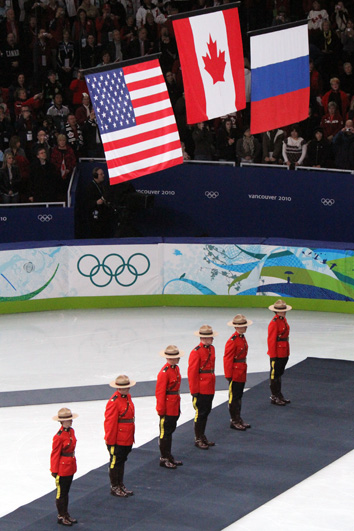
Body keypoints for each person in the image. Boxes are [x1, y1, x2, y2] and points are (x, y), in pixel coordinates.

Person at [104, 374, 136, 497]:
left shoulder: (127, 397)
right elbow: (110, 423)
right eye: (124, 387)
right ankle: (115, 486)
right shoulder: (114, 402)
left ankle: (120, 484)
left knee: (122, 461)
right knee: (115, 462)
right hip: (118, 438)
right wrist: (111, 441)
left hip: (126, 436)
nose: (127, 389)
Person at [188, 324, 217, 450]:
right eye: (209, 337)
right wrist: (194, 391)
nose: (211, 339)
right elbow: (192, 373)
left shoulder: (212, 349)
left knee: (206, 411)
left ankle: (202, 435)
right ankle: (198, 438)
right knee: (200, 413)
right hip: (201, 387)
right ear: (203, 338)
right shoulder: (196, 352)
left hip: (209, 385)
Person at [156, 344, 184, 469]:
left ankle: (168, 455)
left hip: (174, 404)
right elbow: (160, 393)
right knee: (165, 433)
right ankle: (164, 457)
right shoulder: (164, 373)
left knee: (170, 431)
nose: (178, 359)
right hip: (167, 406)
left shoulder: (175, 369)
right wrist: (161, 410)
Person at [224, 314, 253, 430]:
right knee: (234, 397)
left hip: (241, 370)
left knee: (239, 396)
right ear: (236, 327)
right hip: (235, 372)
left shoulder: (241, 337)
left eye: (245, 325)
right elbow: (227, 359)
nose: (245, 328)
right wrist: (228, 375)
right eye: (242, 326)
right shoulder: (233, 340)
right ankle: (234, 420)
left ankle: (238, 418)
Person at [50, 407, 78, 526]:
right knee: (61, 493)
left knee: (66, 492)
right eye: (68, 420)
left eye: (71, 419)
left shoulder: (71, 431)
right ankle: (61, 515)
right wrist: (54, 470)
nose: (70, 422)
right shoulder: (59, 436)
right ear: (61, 422)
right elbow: (55, 454)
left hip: (69, 466)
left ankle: (66, 514)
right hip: (62, 468)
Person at [267, 299, 292, 406]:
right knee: (274, 374)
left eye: (284, 310)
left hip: (284, 350)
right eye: (281, 310)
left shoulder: (283, 320)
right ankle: (274, 396)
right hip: (277, 352)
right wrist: (273, 356)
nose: (283, 312)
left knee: (279, 374)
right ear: (276, 311)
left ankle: (279, 394)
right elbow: (271, 340)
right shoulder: (274, 323)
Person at [85, 166, 112, 237]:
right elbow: (86, 203)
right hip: (95, 218)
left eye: (103, 174)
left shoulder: (103, 186)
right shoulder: (90, 187)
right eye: (101, 174)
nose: (103, 175)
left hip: (104, 215)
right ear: (95, 176)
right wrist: (96, 202)